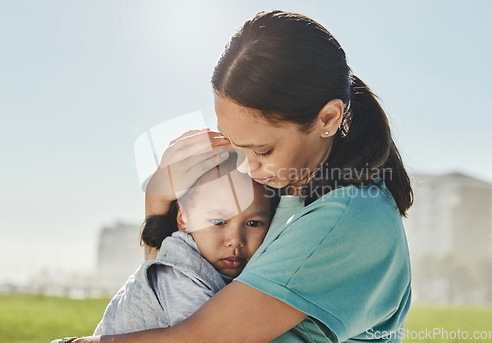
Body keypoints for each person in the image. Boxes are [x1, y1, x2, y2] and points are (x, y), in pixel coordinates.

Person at [52, 9, 413, 343]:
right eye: (238, 147)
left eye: (263, 150)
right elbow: (170, 299)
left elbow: (200, 336)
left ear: (329, 119)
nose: (248, 167)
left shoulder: (346, 214)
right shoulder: (291, 192)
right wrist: (160, 209)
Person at [92, 152, 277, 335]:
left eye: (253, 223)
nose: (235, 240)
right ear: (184, 218)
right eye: (218, 222)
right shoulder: (182, 276)